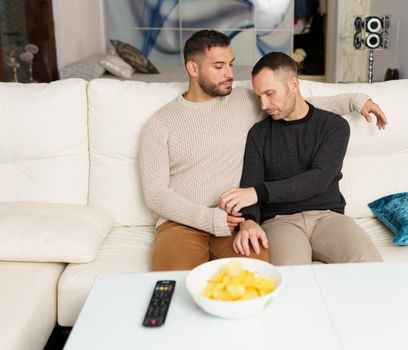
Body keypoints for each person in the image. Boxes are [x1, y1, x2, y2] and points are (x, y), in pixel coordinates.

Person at [140, 30, 386, 271]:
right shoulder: (160, 123)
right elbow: (155, 193)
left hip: (234, 221)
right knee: (173, 282)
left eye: (231, 64)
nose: (230, 74)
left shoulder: (244, 101)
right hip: (181, 223)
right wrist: (210, 219)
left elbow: (293, 104)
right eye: (219, 66)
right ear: (193, 69)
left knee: (257, 279)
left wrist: (354, 100)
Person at [219, 52, 384, 265]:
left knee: (371, 265)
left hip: (328, 217)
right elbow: (249, 186)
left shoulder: (334, 126)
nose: (263, 105)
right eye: (259, 96)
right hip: (280, 223)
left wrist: (260, 192)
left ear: (293, 84)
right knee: (291, 278)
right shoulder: (258, 134)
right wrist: (249, 221)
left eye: (270, 93)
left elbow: (319, 178)